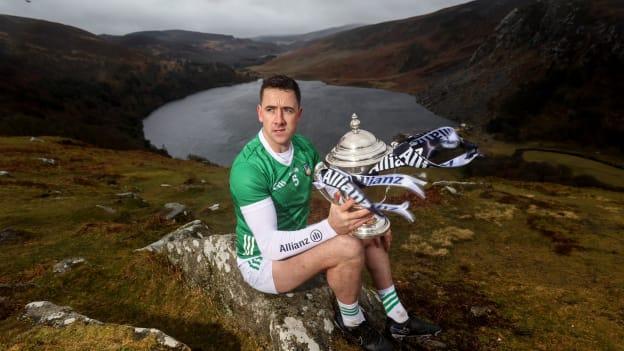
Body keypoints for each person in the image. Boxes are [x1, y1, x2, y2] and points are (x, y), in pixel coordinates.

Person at [229, 75, 441, 351]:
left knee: (367, 227)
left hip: (293, 246)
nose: (279, 119)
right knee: (347, 245)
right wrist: (331, 228)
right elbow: (270, 246)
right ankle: (351, 323)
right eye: (271, 109)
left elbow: (335, 187)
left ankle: (398, 319)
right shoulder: (249, 169)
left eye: (287, 110)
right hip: (264, 263)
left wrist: (372, 214)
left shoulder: (303, 148)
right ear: (260, 113)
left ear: (299, 114)